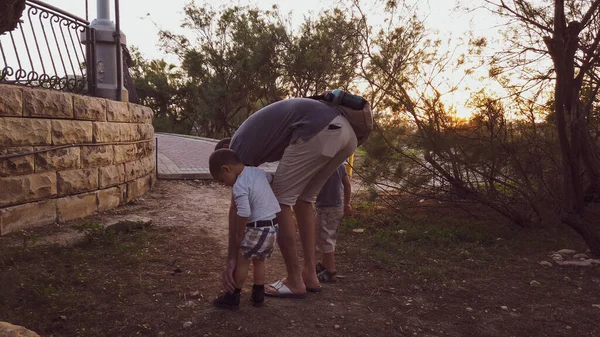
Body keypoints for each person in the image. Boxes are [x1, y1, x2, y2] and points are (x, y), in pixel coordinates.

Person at [216, 98, 359, 298]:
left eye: (224, 179)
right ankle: (310, 275)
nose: (227, 184)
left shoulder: (238, 148)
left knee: (279, 199)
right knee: (304, 199)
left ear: (226, 165)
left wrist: (232, 258)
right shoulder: (251, 140)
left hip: (319, 129)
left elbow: (237, 209)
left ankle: (294, 280)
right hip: (347, 134)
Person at [208, 149, 280, 309]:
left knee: (243, 261)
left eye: (222, 180)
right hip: (272, 226)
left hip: (256, 228)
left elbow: (244, 212)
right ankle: (258, 294)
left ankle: (233, 296)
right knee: (260, 261)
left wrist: (239, 233)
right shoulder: (257, 172)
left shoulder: (239, 185)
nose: (224, 184)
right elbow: (270, 178)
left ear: (226, 169)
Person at [314, 163, 352, 283]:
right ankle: (325, 265)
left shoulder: (321, 164)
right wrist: (347, 203)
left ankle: (330, 271)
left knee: (325, 238)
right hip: (337, 207)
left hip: (326, 208)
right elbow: (347, 184)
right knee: (329, 236)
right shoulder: (340, 164)